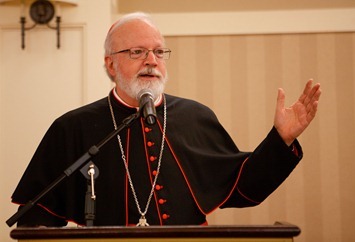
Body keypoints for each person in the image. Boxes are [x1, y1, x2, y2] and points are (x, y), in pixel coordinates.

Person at [10, 12, 321, 227]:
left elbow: (242, 188)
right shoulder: (72, 128)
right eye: (137, 52)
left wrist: (282, 139)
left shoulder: (196, 117)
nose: (151, 61)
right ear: (110, 64)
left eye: (159, 52)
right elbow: (36, 217)